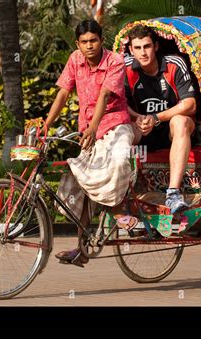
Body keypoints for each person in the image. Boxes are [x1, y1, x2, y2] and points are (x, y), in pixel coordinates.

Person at [44, 19, 134, 267]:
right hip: (88, 130)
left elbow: (106, 94)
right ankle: (82, 249)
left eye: (93, 40)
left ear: (101, 40)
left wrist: (95, 127)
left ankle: (118, 208)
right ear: (78, 44)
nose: (89, 46)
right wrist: (46, 123)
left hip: (116, 124)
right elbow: (63, 92)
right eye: (84, 42)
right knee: (82, 184)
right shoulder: (75, 59)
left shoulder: (114, 61)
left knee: (118, 158)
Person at [124, 25, 197, 214]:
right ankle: (119, 193)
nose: (143, 52)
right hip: (142, 127)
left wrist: (156, 118)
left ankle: (173, 193)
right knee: (121, 130)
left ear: (155, 46)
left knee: (180, 121)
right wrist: (138, 118)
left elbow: (190, 104)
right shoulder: (125, 69)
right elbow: (118, 103)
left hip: (172, 129)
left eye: (147, 46)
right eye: (138, 48)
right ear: (131, 50)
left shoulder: (174, 64)